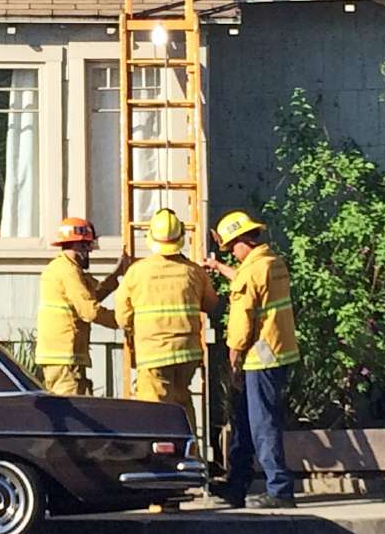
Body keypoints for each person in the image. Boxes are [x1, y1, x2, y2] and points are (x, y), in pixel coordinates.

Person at [203, 210, 299, 509]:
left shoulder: (251, 271)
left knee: (261, 424)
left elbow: (241, 326)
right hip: (278, 354)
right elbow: (247, 282)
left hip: (259, 358)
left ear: (243, 241)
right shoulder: (271, 262)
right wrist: (219, 267)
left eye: (232, 248)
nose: (231, 253)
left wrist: (233, 359)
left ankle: (279, 490)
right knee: (244, 422)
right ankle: (236, 485)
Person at [115, 209, 218, 432]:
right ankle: (190, 456)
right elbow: (210, 304)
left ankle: (160, 462)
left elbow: (122, 316)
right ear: (180, 237)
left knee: (154, 411)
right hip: (187, 354)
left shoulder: (137, 272)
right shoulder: (194, 271)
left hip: (153, 355)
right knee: (182, 404)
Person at [35, 217, 132, 395]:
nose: (90, 252)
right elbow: (89, 310)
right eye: (88, 247)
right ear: (79, 246)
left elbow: (93, 294)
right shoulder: (68, 272)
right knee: (72, 410)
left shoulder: (65, 269)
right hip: (65, 358)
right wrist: (124, 319)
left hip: (63, 357)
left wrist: (117, 274)